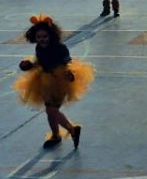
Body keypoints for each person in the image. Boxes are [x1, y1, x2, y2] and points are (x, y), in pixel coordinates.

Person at [14, 15, 92, 149]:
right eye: (39, 37)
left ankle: (72, 129)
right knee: (50, 111)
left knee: (51, 110)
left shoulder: (60, 48)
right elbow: (40, 62)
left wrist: (70, 74)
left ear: (51, 35)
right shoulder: (39, 48)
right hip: (45, 81)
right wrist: (29, 65)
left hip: (59, 81)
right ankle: (56, 135)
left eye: (45, 36)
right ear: (34, 37)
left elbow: (68, 63)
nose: (42, 40)